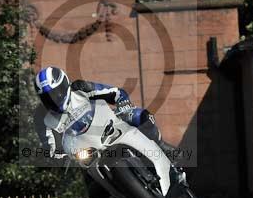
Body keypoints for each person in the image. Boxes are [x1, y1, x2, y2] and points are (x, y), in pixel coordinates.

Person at [33, 66, 166, 160]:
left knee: (138, 115)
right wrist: (56, 157)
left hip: (110, 127)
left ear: (64, 83)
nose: (54, 99)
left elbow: (116, 93)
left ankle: (164, 149)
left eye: (57, 93)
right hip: (86, 153)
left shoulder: (80, 88)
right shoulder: (41, 116)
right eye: (48, 97)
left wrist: (123, 106)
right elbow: (49, 147)